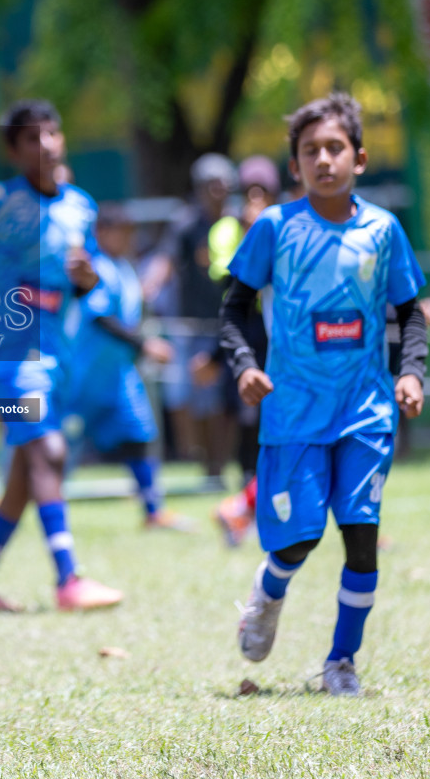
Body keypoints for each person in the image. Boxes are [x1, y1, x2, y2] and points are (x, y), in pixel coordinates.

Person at [221, 93, 428, 698]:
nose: (324, 159)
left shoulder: (382, 231)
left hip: (365, 411)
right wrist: (244, 366)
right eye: (310, 151)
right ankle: (268, 592)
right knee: (300, 538)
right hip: (293, 412)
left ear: (359, 158)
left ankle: (342, 661)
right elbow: (233, 310)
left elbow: (411, 312)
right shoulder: (275, 229)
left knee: (360, 533)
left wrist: (410, 372)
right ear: (295, 166)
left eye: (335, 148)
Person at [0, 101, 127, 612]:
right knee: (49, 452)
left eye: (52, 132)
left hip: (58, 353)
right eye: (32, 137)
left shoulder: (82, 206)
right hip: (8, 353)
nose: (46, 143)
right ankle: (69, 580)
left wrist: (87, 280)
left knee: (26, 476)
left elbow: (85, 284)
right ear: (14, 150)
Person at [64, 204, 190, 529]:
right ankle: (15, 501)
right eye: (120, 231)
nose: (127, 237)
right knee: (57, 446)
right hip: (86, 376)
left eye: (130, 231)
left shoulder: (123, 268)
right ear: (101, 233)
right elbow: (102, 318)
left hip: (118, 375)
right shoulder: (96, 268)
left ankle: (152, 511)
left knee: (139, 435)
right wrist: (145, 345)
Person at [208, 155, 282, 547]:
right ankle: (242, 504)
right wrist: (252, 238)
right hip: (245, 340)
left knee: (294, 439)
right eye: (249, 192)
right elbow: (229, 290)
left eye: (263, 192)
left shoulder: (288, 225)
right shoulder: (229, 230)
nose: (256, 199)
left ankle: (242, 506)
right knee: (259, 427)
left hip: (282, 342)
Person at [172, 153, 239, 491]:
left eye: (224, 183)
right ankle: (210, 469)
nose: (220, 190)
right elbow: (168, 263)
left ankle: (226, 466)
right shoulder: (185, 226)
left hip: (234, 323)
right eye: (213, 185)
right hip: (197, 327)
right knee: (203, 401)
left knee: (230, 402)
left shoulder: (236, 223)